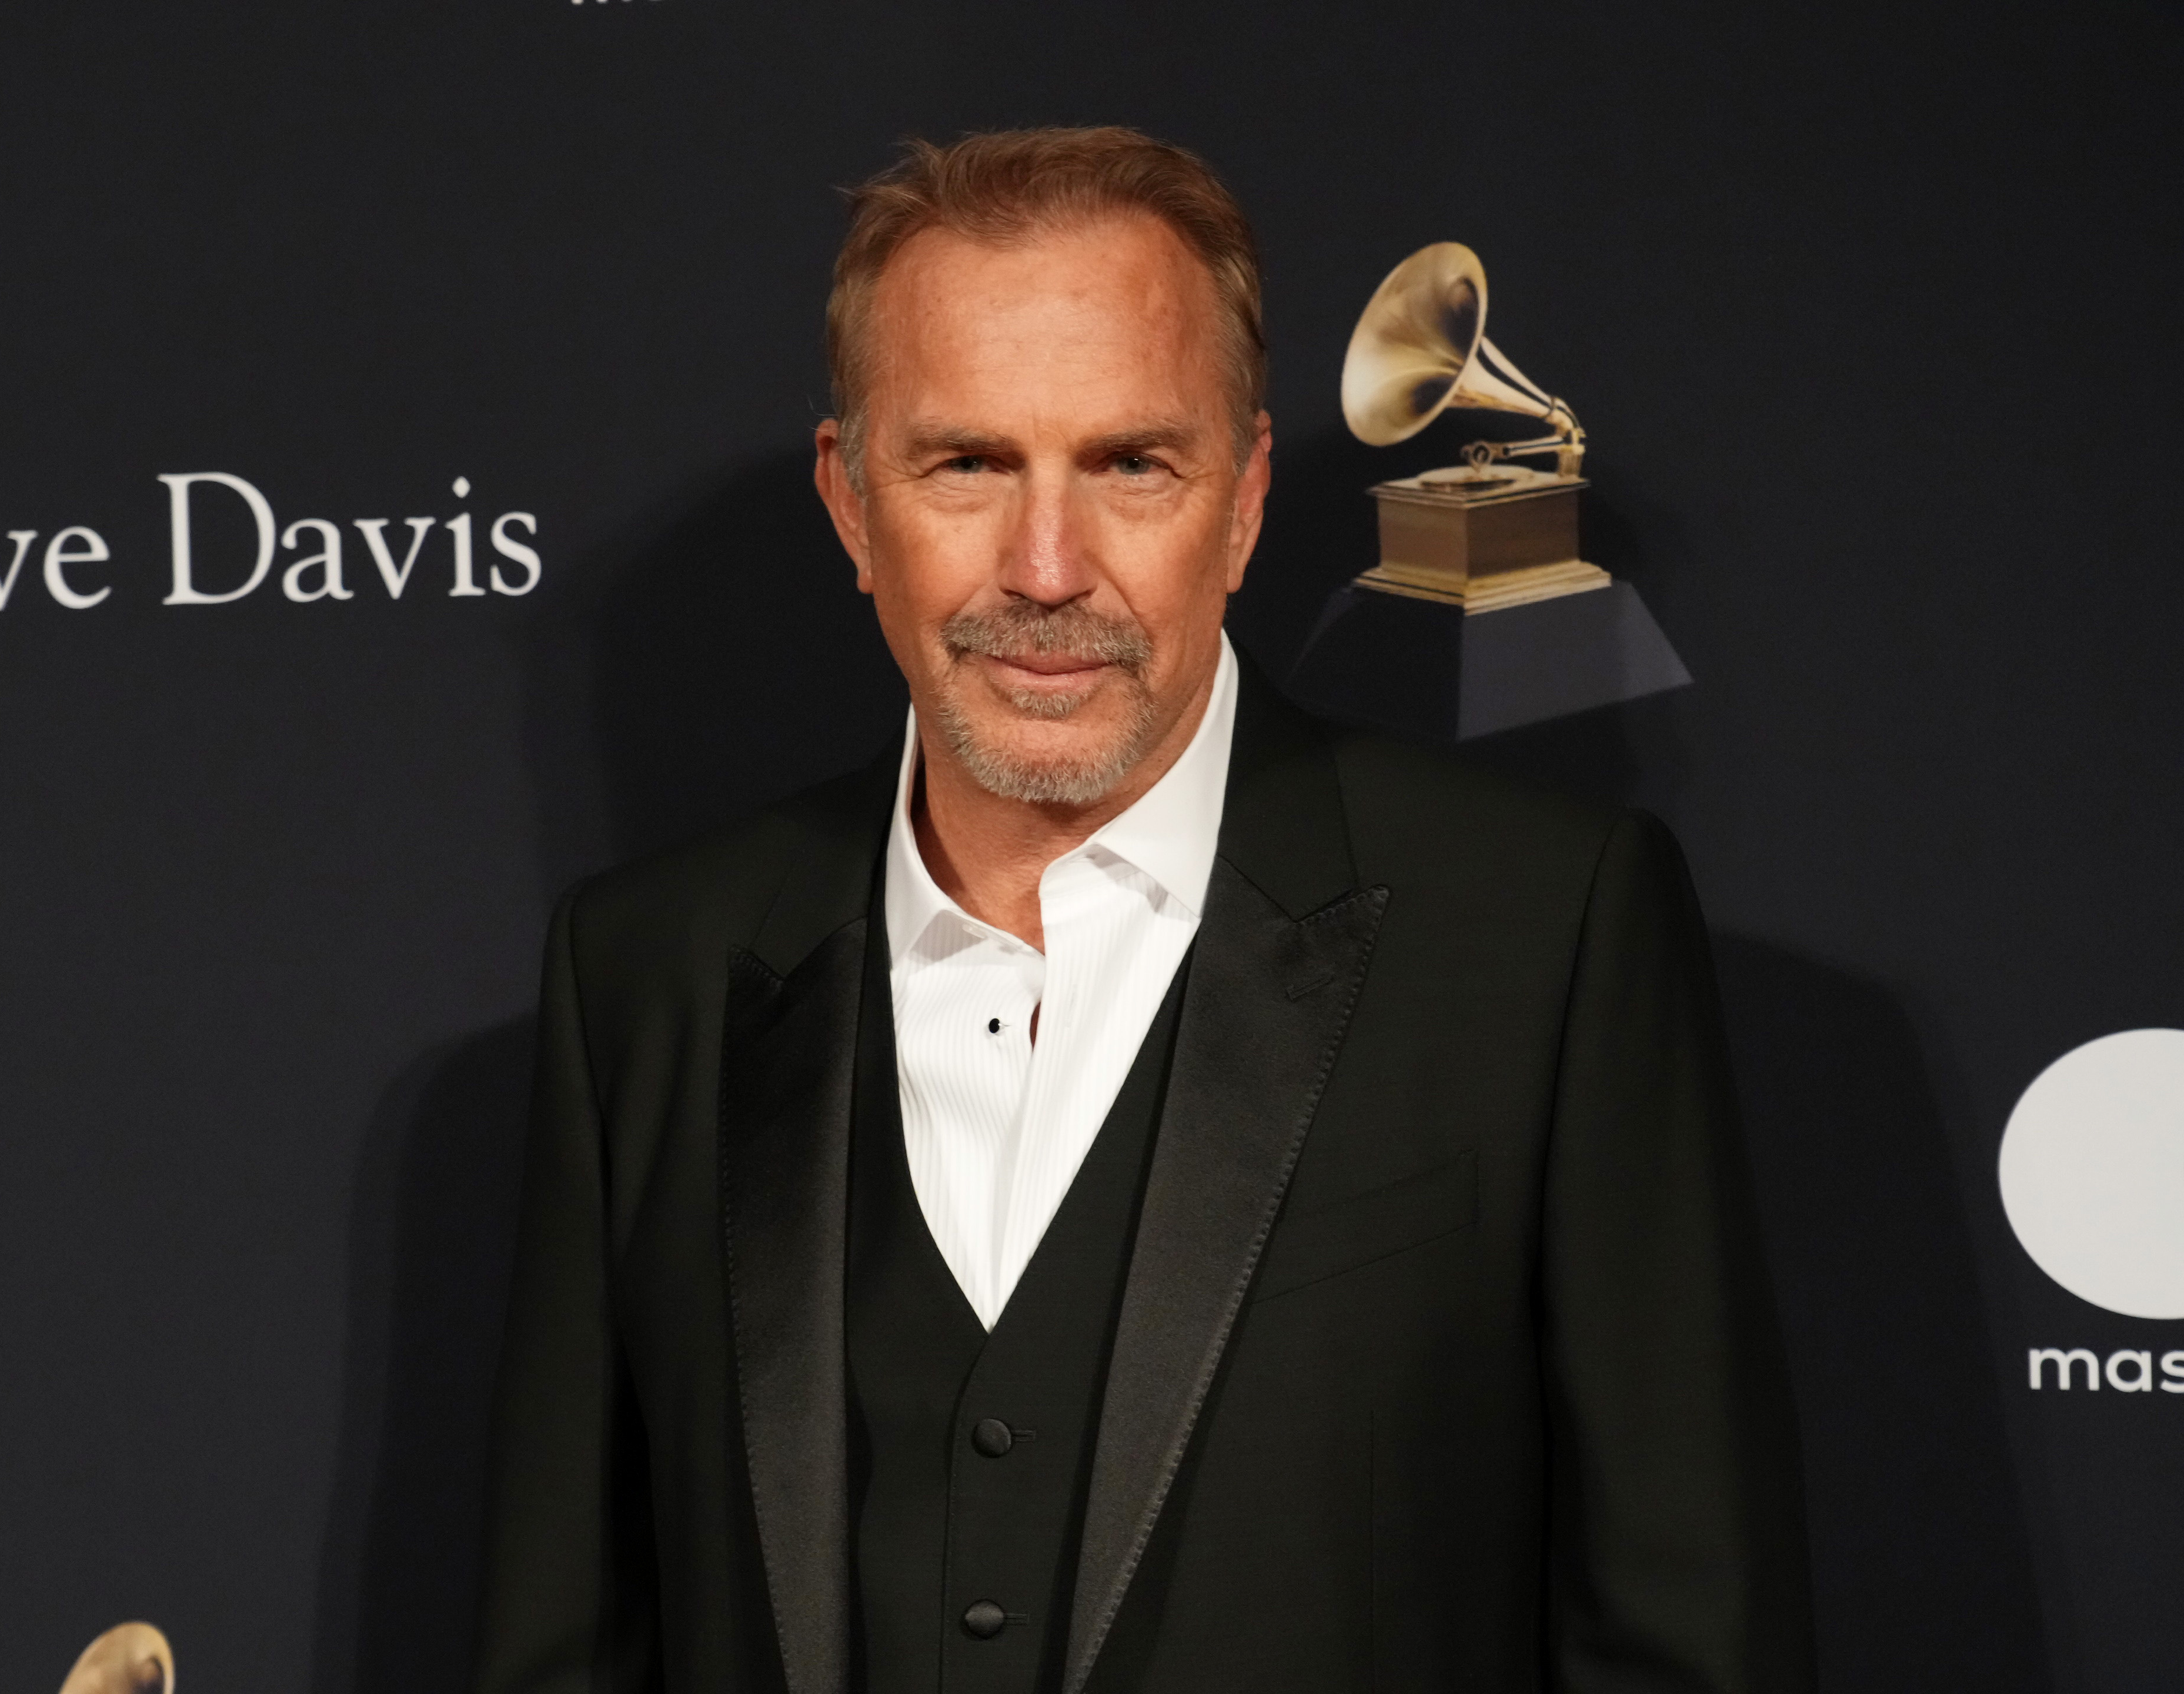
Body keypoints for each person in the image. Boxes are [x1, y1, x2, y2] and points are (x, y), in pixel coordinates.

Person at [473, 126, 1812, 1693]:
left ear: (1241, 500)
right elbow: (564, 1648)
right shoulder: (650, 971)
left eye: (1130, 464)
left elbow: (1685, 1643)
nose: (1047, 569)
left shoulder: (1544, 932)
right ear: (851, 504)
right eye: (967, 463)